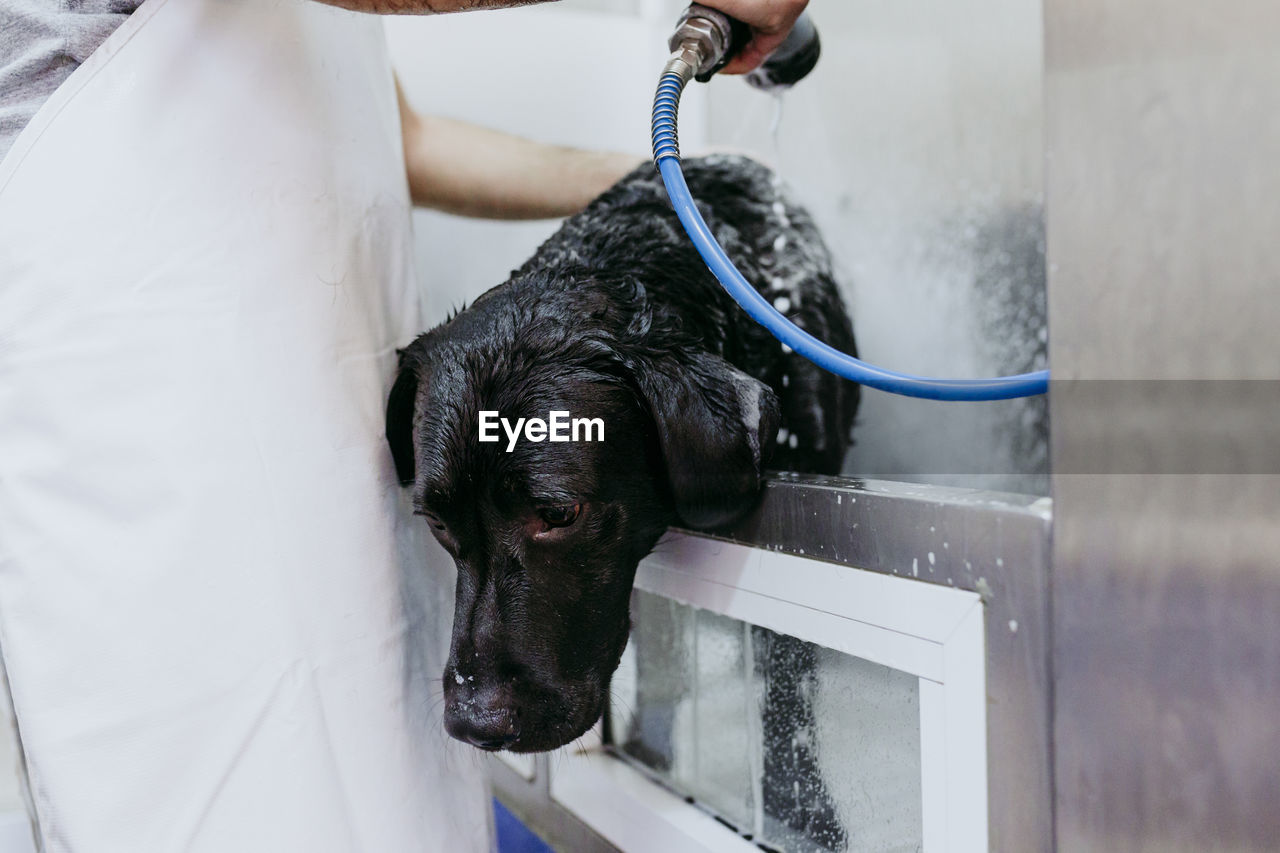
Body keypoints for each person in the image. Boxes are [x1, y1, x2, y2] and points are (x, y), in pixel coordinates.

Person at [0, 1, 808, 850]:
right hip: (149, 430)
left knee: (392, 792)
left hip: (326, 410)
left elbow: (408, 140)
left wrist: (674, 171)